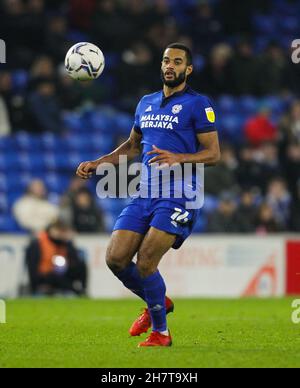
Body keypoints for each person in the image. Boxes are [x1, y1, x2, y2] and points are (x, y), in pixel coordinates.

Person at [76, 43, 220, 347]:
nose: (170, 65)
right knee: (115, 259)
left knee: (146, 262)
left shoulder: (198, 104)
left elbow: (213, 153)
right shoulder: (146, 102)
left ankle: (161, 333)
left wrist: (179, 158)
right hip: (145, 192)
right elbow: (131, 146)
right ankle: (159, 301)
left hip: (180, 194)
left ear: (188, 69)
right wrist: (99, 162)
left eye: (177, 62)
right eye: (166, 60)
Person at [26, 220, 87, 295]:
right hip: (45, 276)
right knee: (54, 277)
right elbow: (32, 269)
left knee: (82, 265)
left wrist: (68, 243)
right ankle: (74, 290)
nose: (61, 234)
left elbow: (74, 262)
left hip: (62, 274)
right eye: (60, 230)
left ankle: (83, 290)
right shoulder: (38, 244)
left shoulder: (66, 244)